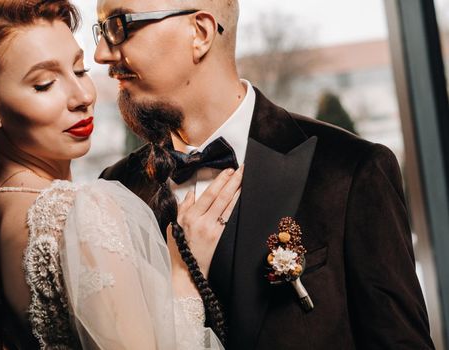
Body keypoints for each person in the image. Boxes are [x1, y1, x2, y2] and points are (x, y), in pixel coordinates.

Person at [95, 0, 435, 349]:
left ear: (200, 32)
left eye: (119, 25)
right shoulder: (113, 191)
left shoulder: (352, 170)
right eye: (101, 30)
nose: (100, 54)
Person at [0, 0, 242, 349]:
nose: (82, 97)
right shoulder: (80, 212)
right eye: (44, 84)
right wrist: (182, 276)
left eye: (79, 70)